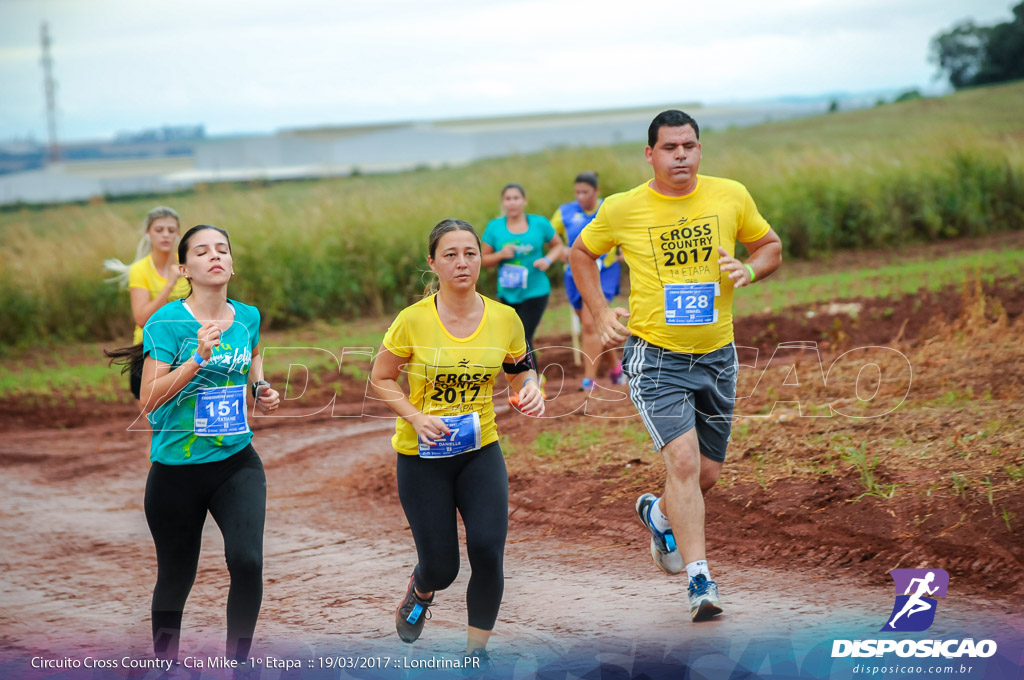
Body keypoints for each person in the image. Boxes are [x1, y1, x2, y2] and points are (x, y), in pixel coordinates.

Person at [570, 110, 782, 622]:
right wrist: (599, 313)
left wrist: (749, 270)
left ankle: (659, 513)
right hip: (655, 355)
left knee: (707, 473)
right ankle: (699, 582)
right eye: (670, 147)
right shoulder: (623, 208)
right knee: (684, 464)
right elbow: (581, 254)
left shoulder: (730, 194)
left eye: (689, 145)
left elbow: (770, 246)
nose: (681, 155)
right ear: (651, 154)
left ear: (700, 150)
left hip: (718, 354)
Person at [370, 218, 545, 666]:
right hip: (422, 456)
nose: (462, 262)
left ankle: (475, 654)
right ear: (433, 263)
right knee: (442, 567)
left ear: (481, 258)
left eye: (470, 252)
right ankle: (421, 589)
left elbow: (521, 368)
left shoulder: (506, 318)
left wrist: (530, 388)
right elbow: (382, 377)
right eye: (450, 254)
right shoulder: (412, 321)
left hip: (480, 449)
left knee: (488, 549)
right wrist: (415, 415)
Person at [108, 224, 281, 663]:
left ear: (232, 265)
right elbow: (149, 400)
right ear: (185, 268)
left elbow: (253, 352)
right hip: (175, 471)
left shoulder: (247, 316)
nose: (215, 256)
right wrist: (197, 358)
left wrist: (259, 387)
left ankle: (238, 664)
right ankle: (165, 664)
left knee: (247, 561)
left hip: (235, 461)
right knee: (176, 575)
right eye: (202, 252)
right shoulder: (166, 321)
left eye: (222, 249)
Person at [104, 206, 191, 399]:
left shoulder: (188, 265)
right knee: (154, 424)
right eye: (159, 230)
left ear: (178, 233)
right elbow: (142, 318)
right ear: (148, 233)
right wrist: (170, 284)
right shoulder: (140, 270)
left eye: (171, 230)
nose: (165, 235)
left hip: (185, 350)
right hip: (149, 350)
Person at [551, 171, 624, 391]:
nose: (581, 196)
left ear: (596, 191)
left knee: (591, 324)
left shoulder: (608, 208)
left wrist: (624, 252)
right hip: (574, 273)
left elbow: (626, 231)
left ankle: (589, 380)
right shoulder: (565, 212)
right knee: (592, 324)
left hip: (605, 271)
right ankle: (616, 371)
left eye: (586, 192)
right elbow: (548, 236)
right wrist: (560, 250)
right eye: (577, 192)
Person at [481, 183, 565, 369]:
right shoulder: (494, 227)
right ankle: (521, 385)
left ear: (524, 201)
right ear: (503, 202)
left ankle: (532, 383)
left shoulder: (540, 223)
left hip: (535, 290)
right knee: (510, 339)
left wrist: (548, 260)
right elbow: (482, 260)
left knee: (523, 336)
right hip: (508, 292)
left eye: (516, 198)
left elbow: (558, 246)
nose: (512, 203)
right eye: (508, 199)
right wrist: (500, 255)